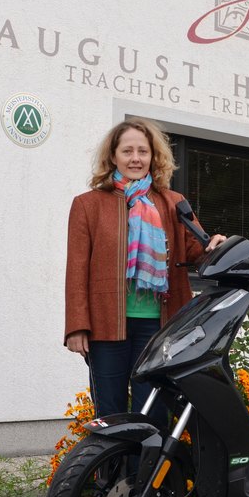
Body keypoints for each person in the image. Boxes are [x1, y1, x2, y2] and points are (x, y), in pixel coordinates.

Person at [65, 117, 225, 426]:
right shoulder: (88, 205)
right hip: (106, 325)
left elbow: (194, 250)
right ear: (113, 156)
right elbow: (77, 268)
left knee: (152, 413)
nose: (136, 158)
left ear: (154, 156)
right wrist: (76, 325)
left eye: (143, 151)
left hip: (159, 326)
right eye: (127, 151)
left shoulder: (173, 202)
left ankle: (147, 475)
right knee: (109, 414)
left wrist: (214, 246)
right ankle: (108, 475)